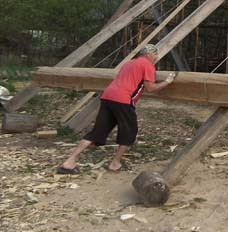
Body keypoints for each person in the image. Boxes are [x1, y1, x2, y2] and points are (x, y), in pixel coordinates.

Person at [57, 44, 175, 174]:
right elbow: (151, 88)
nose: (156, 57)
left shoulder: (129, 63)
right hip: (123, 99)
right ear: (148, 54)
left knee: (97, 131)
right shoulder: (147, 64)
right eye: (155, 54)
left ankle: (69, 162)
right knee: (130, 132)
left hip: (107, 96)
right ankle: (115, 163)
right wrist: (167, 82)